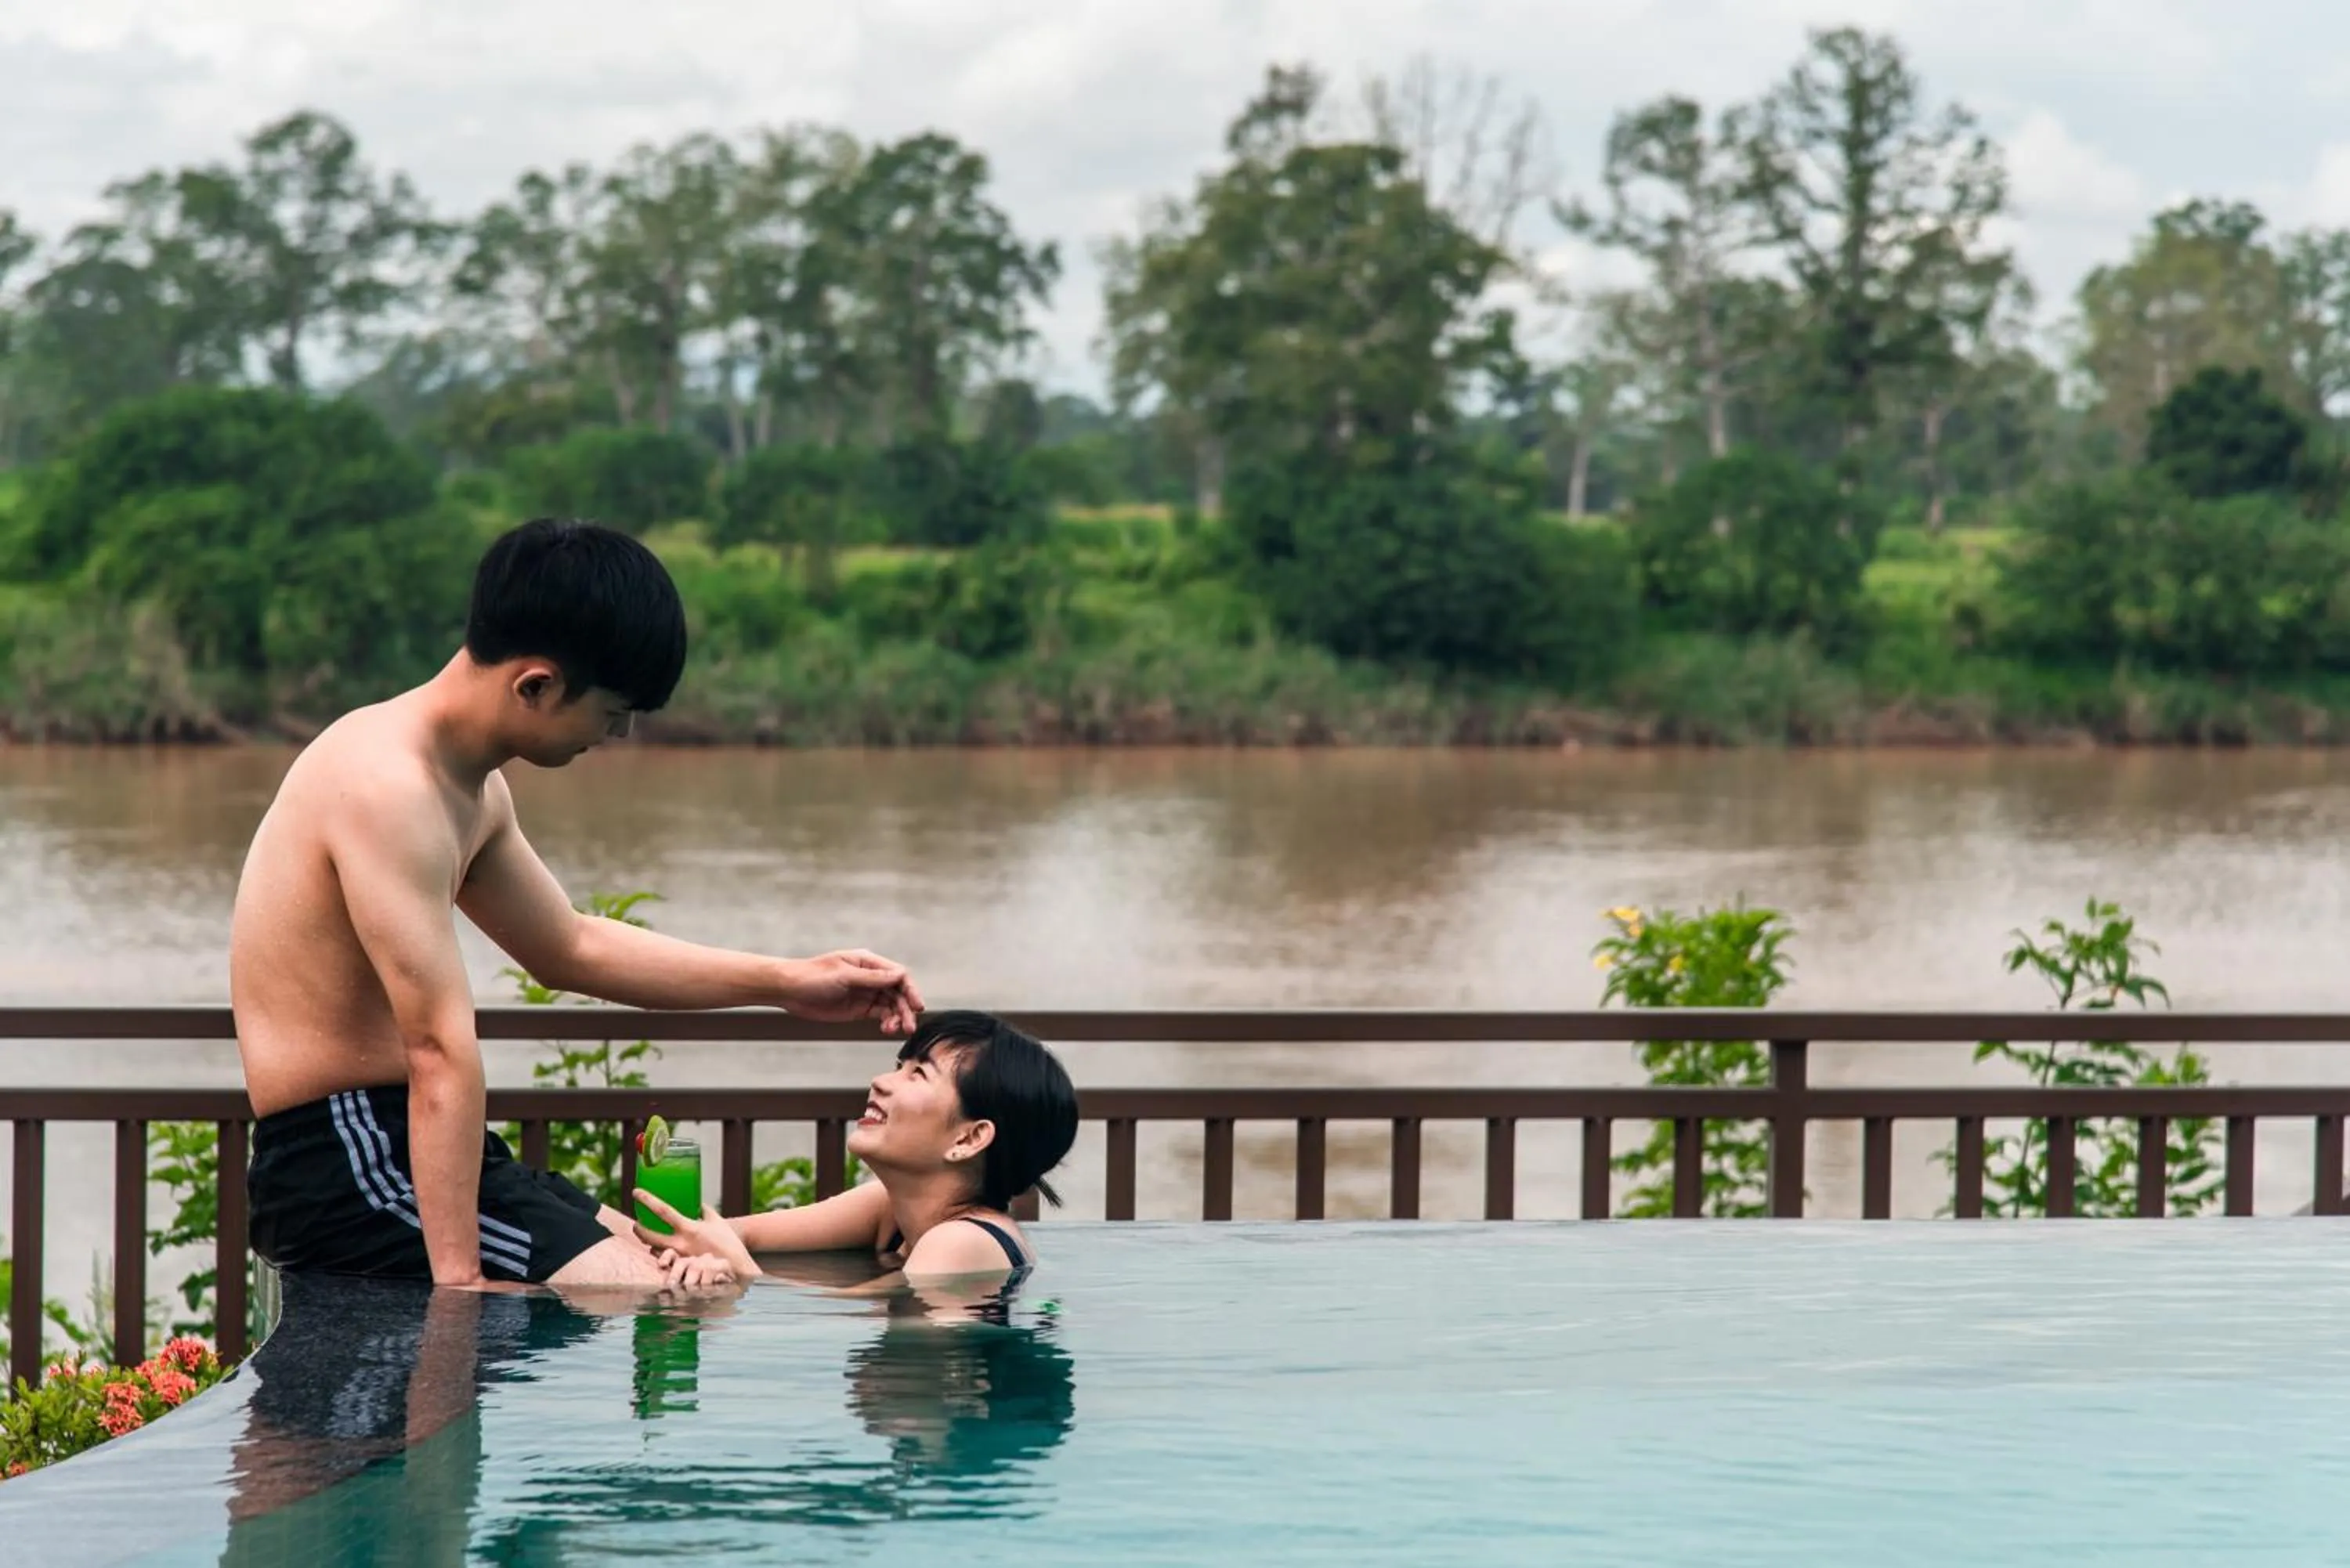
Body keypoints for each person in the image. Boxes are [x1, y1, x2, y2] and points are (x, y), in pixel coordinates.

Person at [230, 518, 925, 1293]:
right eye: (612, 712)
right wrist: (458, 1287)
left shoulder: (470, 785)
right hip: (348, 1163)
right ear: (537, 685)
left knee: (688, 1264)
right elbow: (437, 1046)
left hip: (414, 1147)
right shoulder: (388, 788)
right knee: (668, 1294)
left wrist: (788, 981)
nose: (617, 734)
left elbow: (572, 947)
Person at [637, 1010, 1077, 1287]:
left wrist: (739, 1276)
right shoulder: (891, 1208)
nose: (882, 1082)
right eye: (897, 1066)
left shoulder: (963, 1241)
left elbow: (868, 1319)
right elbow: (742, 1234)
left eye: (918, 1075)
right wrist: (698, 1243)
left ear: (968, 1139)